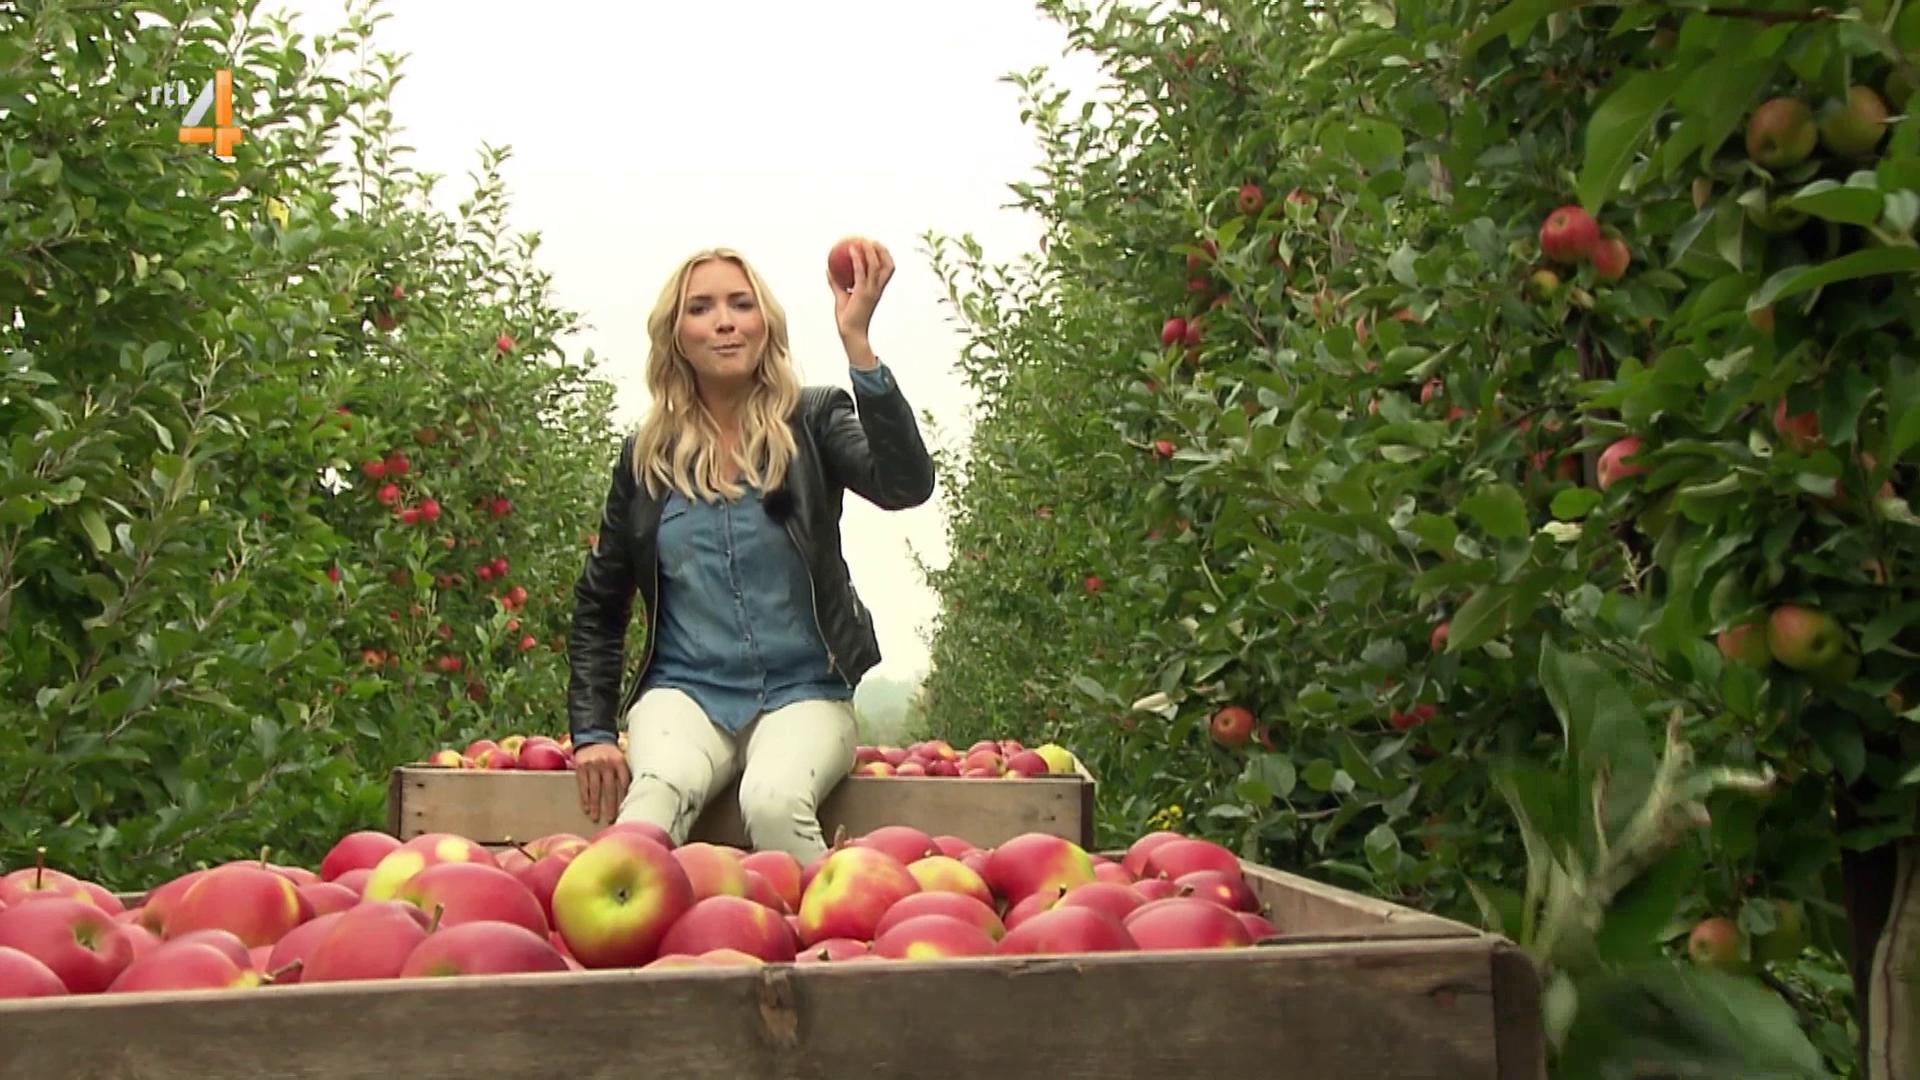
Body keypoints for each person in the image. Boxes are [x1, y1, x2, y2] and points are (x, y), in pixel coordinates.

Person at [564, 240, 935, 863]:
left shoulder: (813, 421)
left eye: (741, 304)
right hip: (684, 692)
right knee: (654, 797)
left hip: (805, 688)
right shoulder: (646, 457)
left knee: (773, 801)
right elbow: (601, 603)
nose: (725, 321)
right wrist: (593, 732)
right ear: (676, 335)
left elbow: (905, 485)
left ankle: (826, 923)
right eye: (701, 308)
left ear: (766, 324)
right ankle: (633, 916)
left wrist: (857, 342)